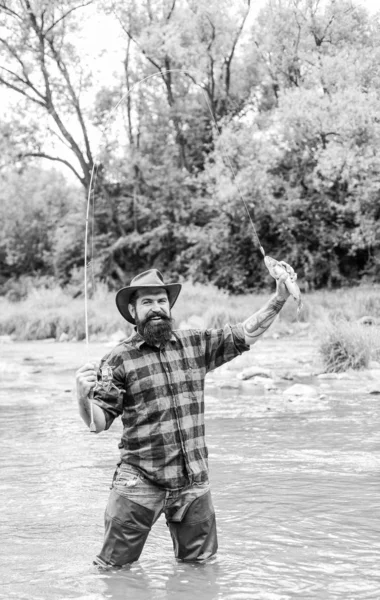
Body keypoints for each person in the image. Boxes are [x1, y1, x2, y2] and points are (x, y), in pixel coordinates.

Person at [76, 265, 296, 568]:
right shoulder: (118, 358)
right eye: (147, 302)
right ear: (132, 310)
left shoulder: (195, 344)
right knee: (114, 571)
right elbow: (97, 424)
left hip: (193, 481)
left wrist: (279, 298)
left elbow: (244, 334)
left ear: (170, 306)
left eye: (161, 301)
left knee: (201, 570)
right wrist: (81, 394)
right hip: (139, 482)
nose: (156, 309)